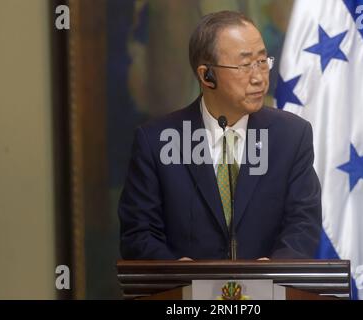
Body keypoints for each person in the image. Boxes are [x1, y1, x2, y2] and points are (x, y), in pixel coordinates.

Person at [118, 11, 322, 260]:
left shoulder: (291, 136)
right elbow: (138, 233)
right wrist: (175, 271)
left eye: (262, 61)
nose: (259, 77)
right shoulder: (156, 142)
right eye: (245, 65)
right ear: (207, 76)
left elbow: (303, 224)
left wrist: (273, 271)